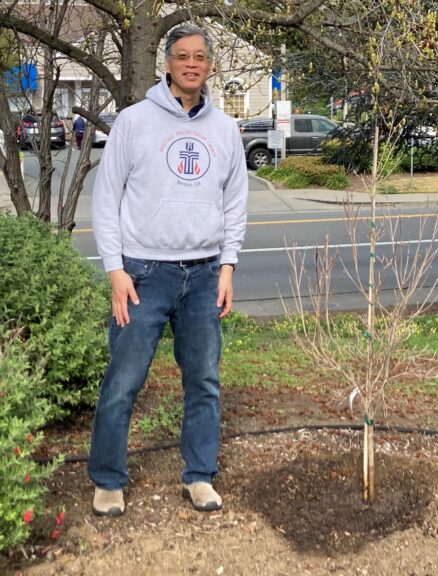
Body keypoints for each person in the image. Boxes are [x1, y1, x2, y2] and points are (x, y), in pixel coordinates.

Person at [89, 24, 248, 517]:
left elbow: (235, 203)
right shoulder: (134, 123)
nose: (191, 64)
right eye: (183, 56)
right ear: (168, 64)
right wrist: (115, 269)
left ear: (209, 66)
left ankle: (199, 476)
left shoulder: (224, 130)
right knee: (123, 381)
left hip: (202, 276)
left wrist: (227, 266)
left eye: (200, 57)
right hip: (142, 275)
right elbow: (105, 198)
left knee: (203, 380)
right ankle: (108, 480)